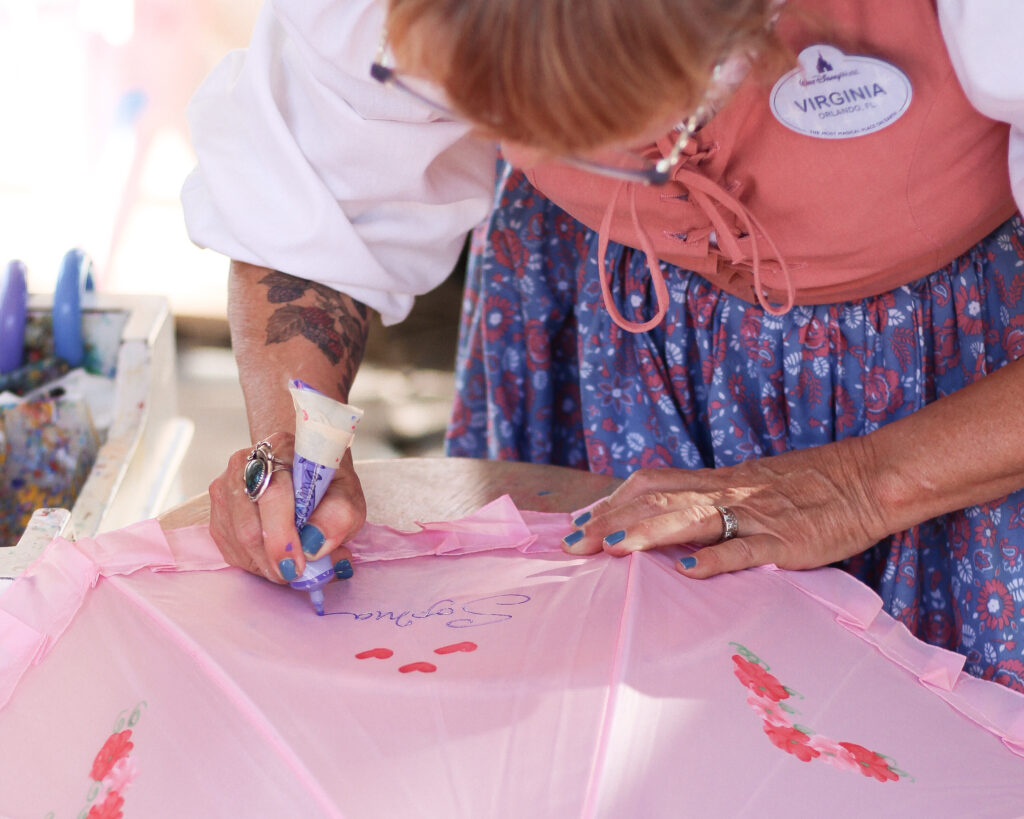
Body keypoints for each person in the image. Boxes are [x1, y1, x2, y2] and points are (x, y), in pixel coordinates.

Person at [181, 0, 1024, 690]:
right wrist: (293, 441)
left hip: (959, 383)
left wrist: (864, 483)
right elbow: (325, 187)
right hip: (595, 337)